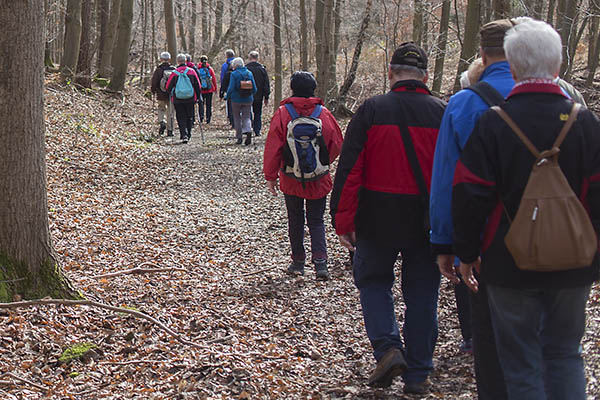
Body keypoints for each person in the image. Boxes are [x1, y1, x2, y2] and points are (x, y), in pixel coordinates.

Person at [452, 19, 600, 399]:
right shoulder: (586, 124)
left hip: (507, 263)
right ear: (558, 66)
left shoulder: (493, 124)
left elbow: (470, 194)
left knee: (520, 363)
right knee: (566, 354)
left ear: (513, 67)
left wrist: (466, 254)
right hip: (575, 263)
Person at [330, 42, 445, 395]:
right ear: (424, 76)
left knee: (374, 283)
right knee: (423, 294)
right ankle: (419, 374)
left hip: (376, 218)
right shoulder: (443, 113)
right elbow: (453, 175)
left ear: (391, 73)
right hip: (426, 221)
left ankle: (388, 348)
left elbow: (350, 171)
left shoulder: (371, 110)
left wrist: (342, 219)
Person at [429, 19, 517, 400]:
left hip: (489, 243)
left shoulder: (464, 103)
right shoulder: (563, 99)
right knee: (553, 345)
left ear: (482, 55)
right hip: (554, 241)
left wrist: (446, 243)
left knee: (491, 341)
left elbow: (448, 179)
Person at [264, 71, 343, 280]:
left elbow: (274, 147)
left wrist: (271, 175)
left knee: (295, 218)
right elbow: (337, 144)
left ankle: (298, 262)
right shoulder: (323, 113)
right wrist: (322, 163)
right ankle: (321, 264)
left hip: (291, 176)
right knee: (316, 220)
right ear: (313, 89)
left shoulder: (283, 113)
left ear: (292, 89)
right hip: (318, 177)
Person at [165, 53, 202, 144]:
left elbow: (168, 87)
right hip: (190, 98)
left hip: (178, 99)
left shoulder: (174, 73)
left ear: (178, 61)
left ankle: (183, 134)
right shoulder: (191, 71)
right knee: (189, 116)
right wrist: (198, 96)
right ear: (185, 61)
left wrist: (171, 91)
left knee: (181, 116)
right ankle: (189, 133)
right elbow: (198, 85)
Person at [226, 57, 257, 145]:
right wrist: (252, 94)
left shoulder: (234, 74)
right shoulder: (249, 73)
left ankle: (239, 138)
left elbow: (231, 87)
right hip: (248, 98)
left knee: (237, 117)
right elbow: (254, 87)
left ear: (235, 65)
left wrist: (227, 96)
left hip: (236, 99)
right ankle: (248, 130)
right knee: (246, 116)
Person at [245, 51, 271, 136]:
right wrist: (266, 96)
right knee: (258, 113)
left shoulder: (246, 69)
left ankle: (248, 128)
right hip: (259, 95)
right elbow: (266, 83)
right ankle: (257, 130)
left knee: (247, 112)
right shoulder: (262, 69)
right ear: (257, 58)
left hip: (247, 94)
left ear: (249, 58)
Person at [150, 51, 175, 137]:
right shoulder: (173, 69)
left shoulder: (158, 70)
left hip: (160, 94)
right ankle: (170, 130)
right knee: (170, 112)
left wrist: (153, 91)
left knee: (161, 108)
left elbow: (154, 82)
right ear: (169, 59)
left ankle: (162, 122)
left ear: (161, 59)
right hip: (171, 94)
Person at [196, 55, 217, 124]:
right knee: (208, 105)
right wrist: (215, 88)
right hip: (209, 90)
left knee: (200, 104)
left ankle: (201, 118)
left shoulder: (198, 69)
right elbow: (213, 79)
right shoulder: (210, 69)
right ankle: (208, 119)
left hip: (201, 90)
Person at [220, 49, 236, 128]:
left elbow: (222, 77)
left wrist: (222, 90)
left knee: (229, 105)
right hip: (239, 88)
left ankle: (231, 120)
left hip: (228, 87)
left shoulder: (224, 65)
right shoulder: (239, 62)